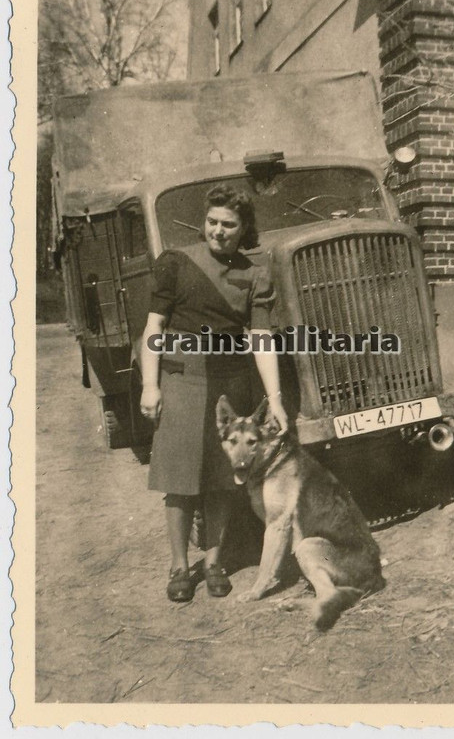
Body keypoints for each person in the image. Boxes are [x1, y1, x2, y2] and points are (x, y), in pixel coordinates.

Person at [140, 184, 287, 603]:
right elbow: (154, 328)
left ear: (244, 230)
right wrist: (150, 385)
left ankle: (214, 562)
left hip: (230, 381)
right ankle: (179, 566)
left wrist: (274, 399)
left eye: (229, 225)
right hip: (182, 380)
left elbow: (261, 340)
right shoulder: (176, 263)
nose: (218, 231)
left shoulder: (255, 274)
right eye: (212, 222)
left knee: (224, 479)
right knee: (181, 480)